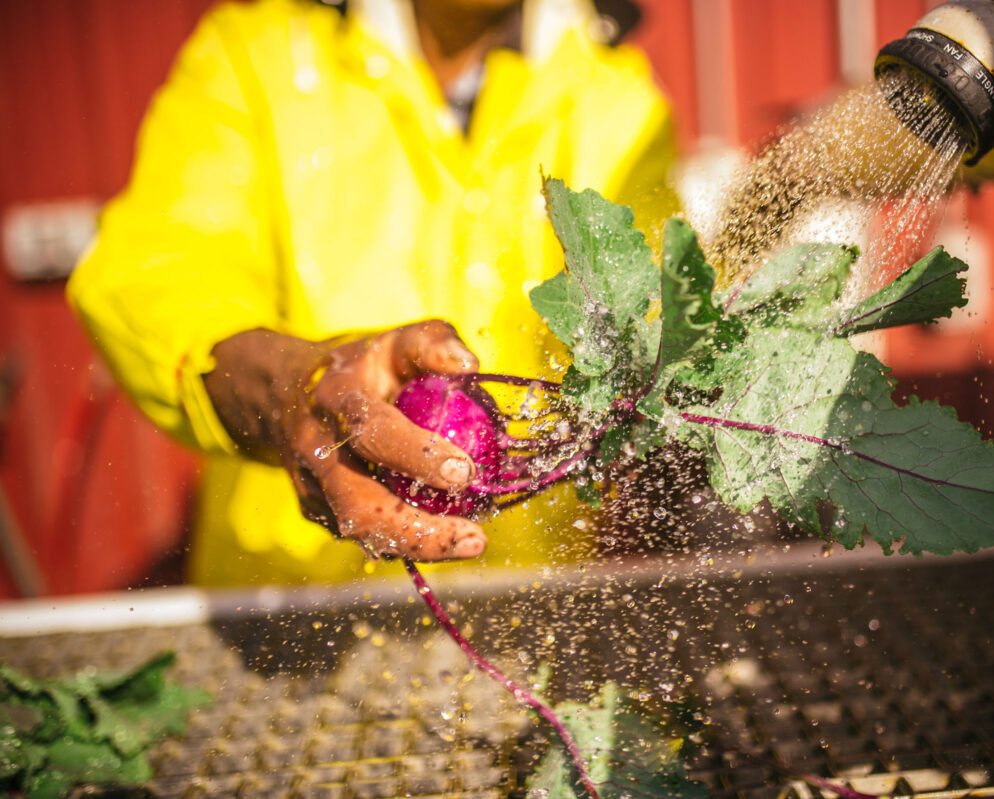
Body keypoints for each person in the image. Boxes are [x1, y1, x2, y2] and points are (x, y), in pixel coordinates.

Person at [67, 0, 677, 586]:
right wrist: (297, 392)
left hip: (530, 608)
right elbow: (158, 273)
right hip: (288, 598)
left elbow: (650, 319)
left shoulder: (615, 96)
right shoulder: (259, 56)